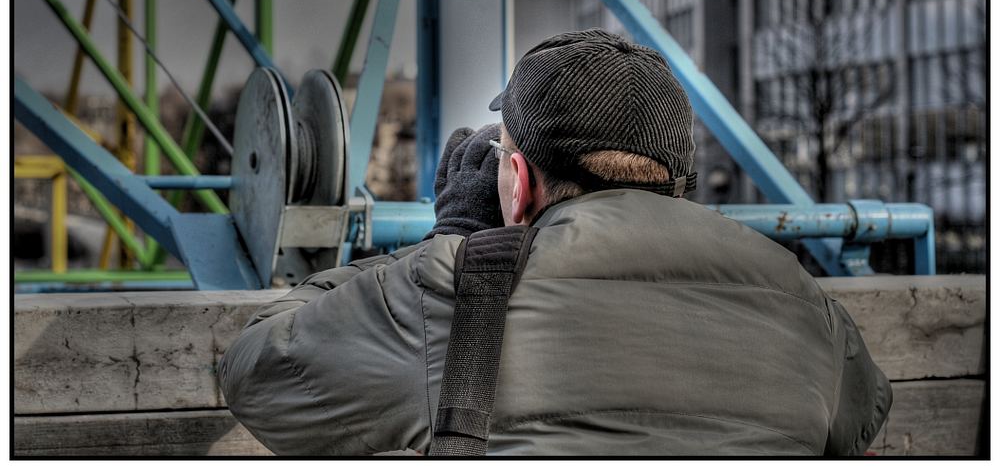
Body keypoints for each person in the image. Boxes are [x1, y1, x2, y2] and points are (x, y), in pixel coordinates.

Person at [218, 28, 891, 456]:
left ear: (514, 179)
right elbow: (863, 416)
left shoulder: (454, 290)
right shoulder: (803, 299)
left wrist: (451, 239)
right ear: (679, 178)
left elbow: (256, 369)